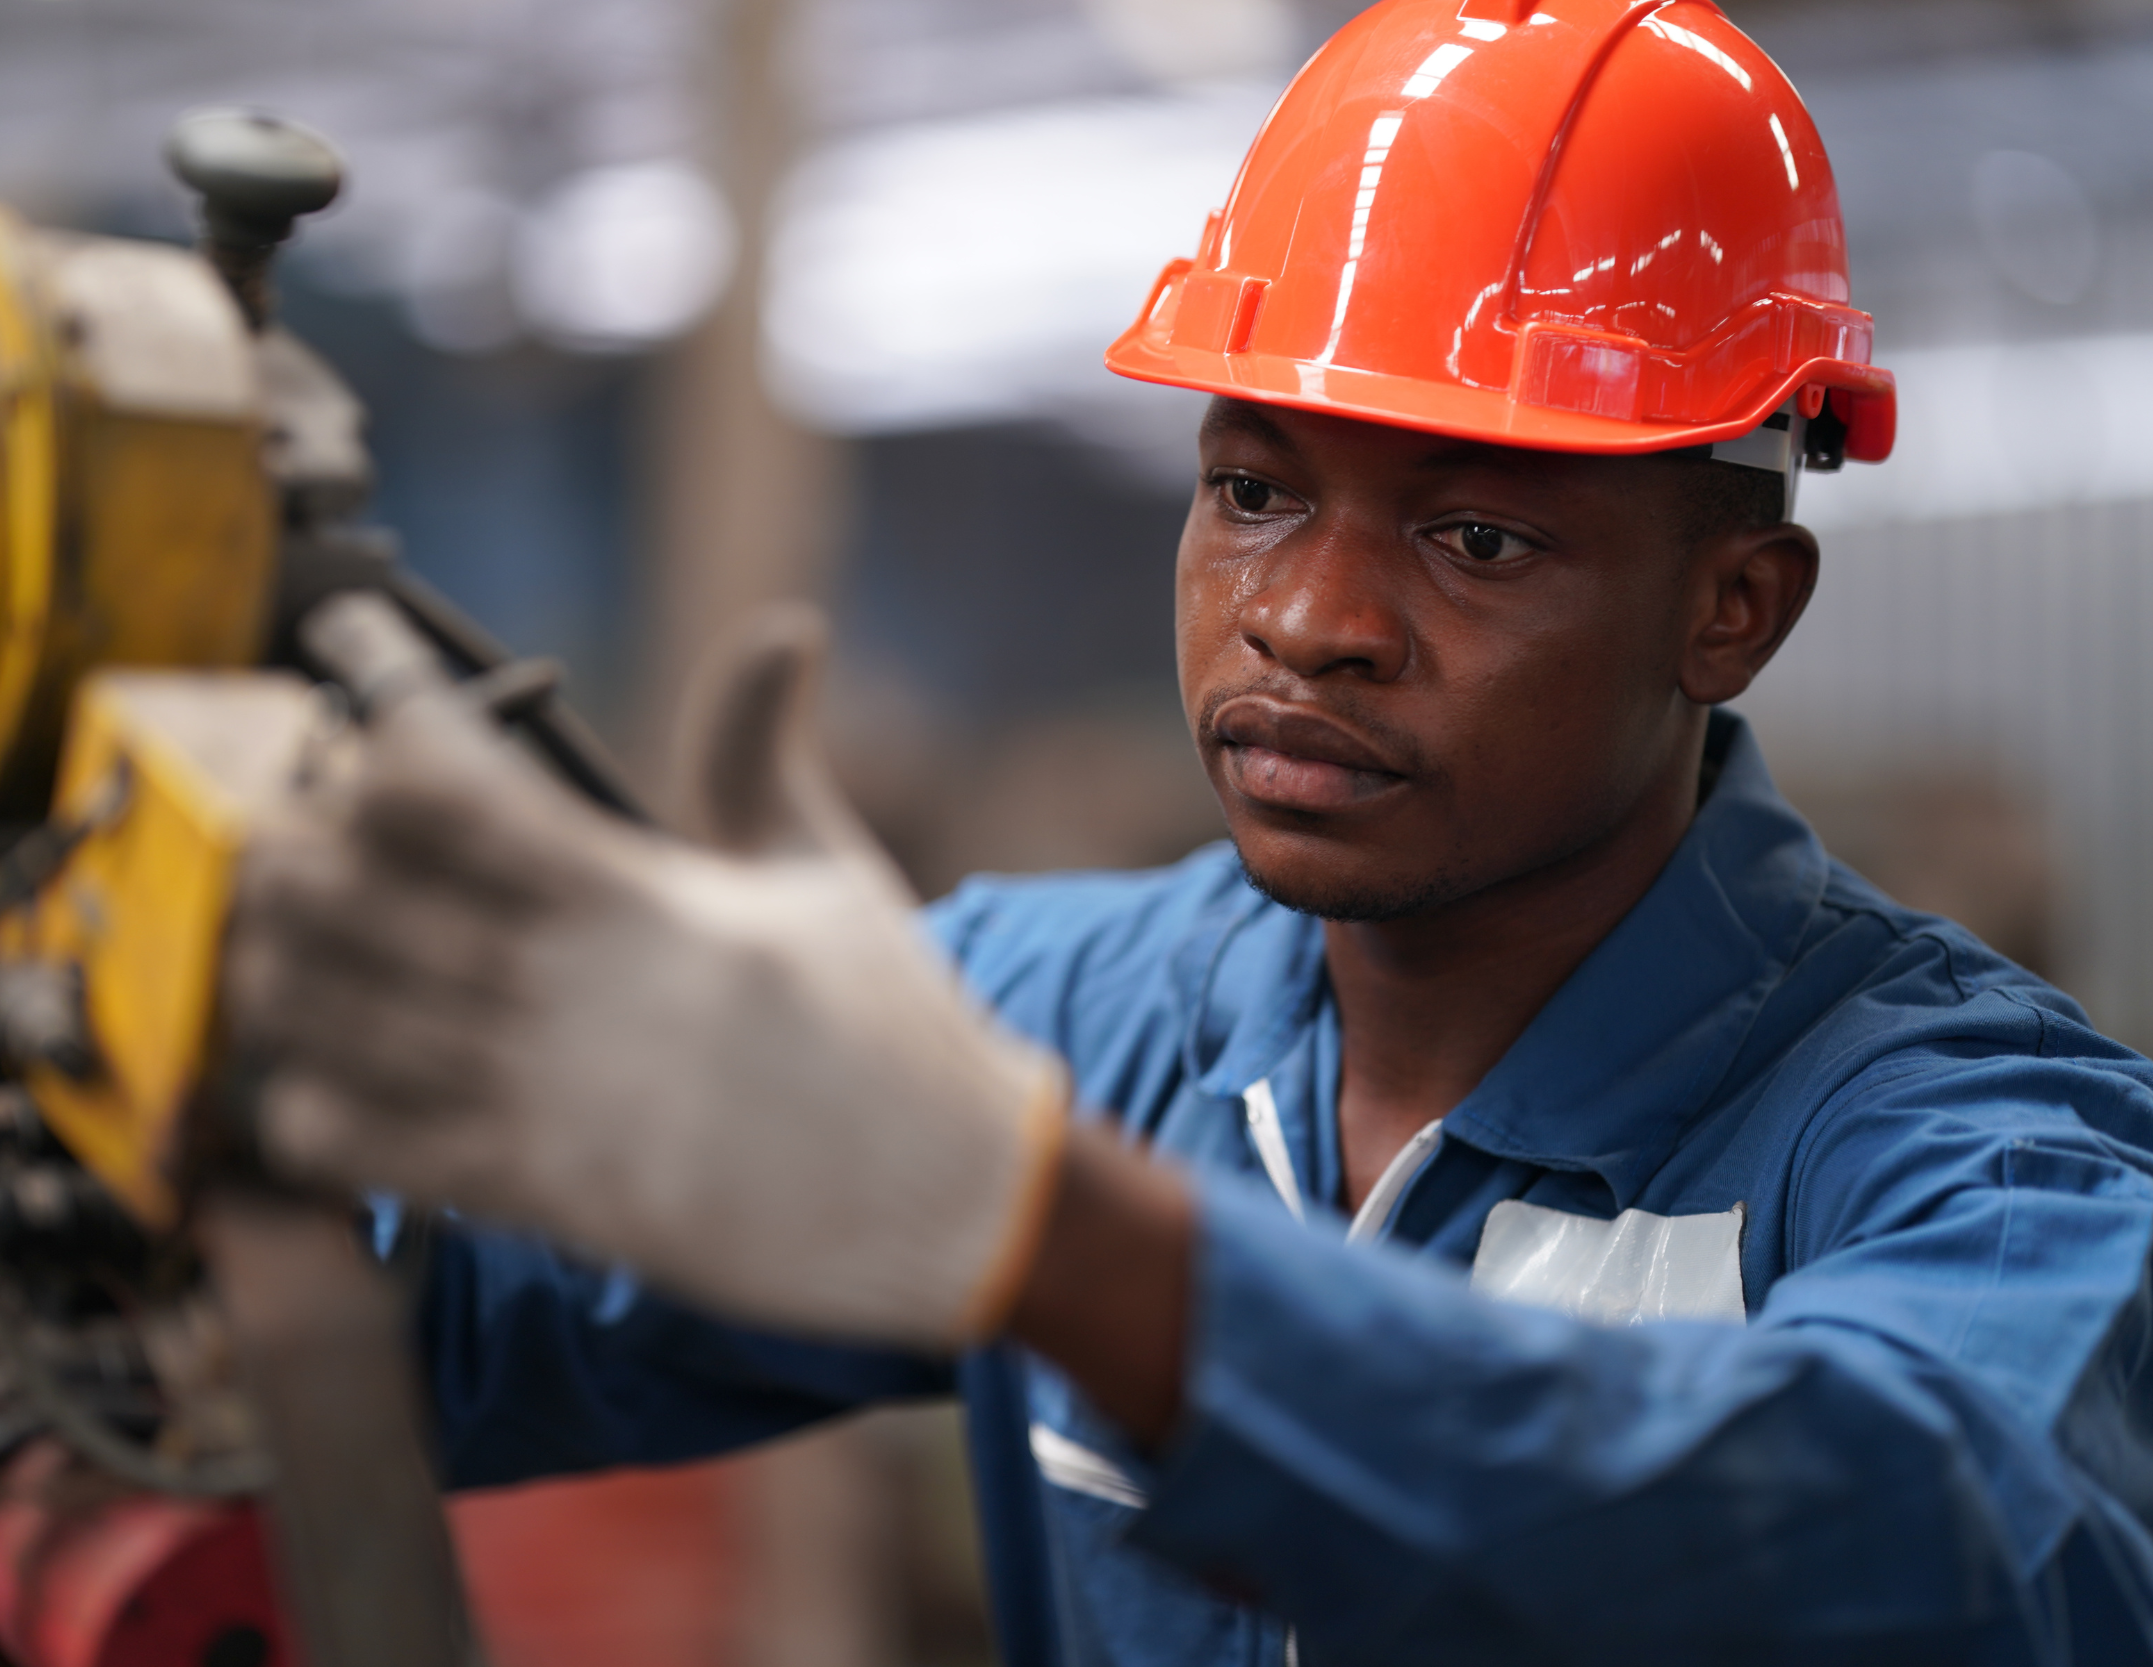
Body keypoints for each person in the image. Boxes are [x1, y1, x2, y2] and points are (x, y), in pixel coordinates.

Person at [225, 1, 2153, 1661]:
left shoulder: (1983, 1155)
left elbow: (1900, 1545)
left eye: (1475, 537)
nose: (1308, 618)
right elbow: (440, 1316)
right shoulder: (1056, 1018)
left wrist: (1047, 1233)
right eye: (1250, 488)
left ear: (1731, 607)